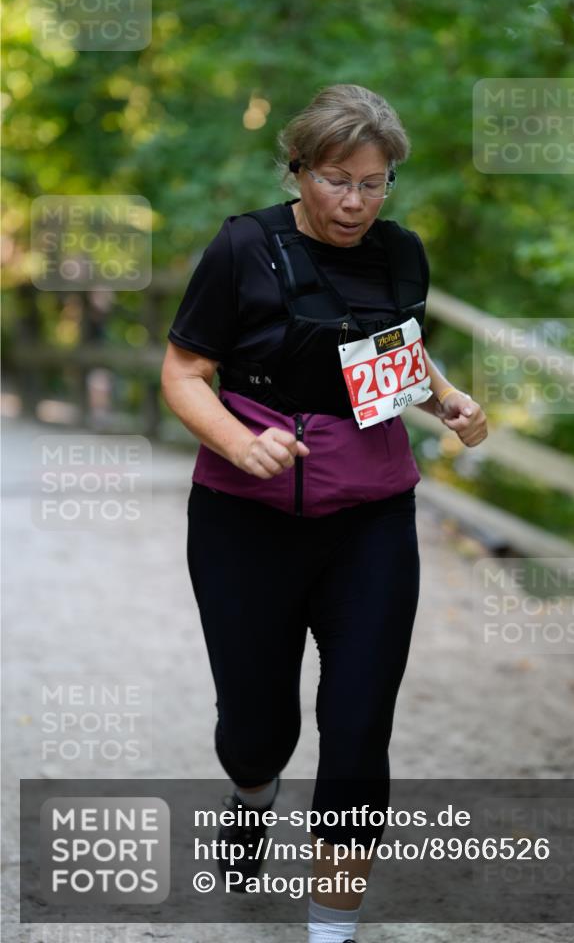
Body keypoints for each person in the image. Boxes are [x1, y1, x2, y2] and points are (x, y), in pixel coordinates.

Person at [161, 83, 488, 943]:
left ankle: (329, 932)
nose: (355, 202)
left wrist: (448, 400)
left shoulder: (399, 254)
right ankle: (252, 792)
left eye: (374, 184)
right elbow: (183, 374)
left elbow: (391, 357)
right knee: (255, 728)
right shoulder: (241, 247)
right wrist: (239, 444)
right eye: (337, 181)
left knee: (357, 728)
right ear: (299, 170)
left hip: (370, 522)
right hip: (243, 521)